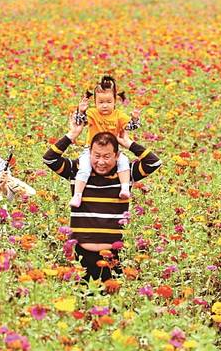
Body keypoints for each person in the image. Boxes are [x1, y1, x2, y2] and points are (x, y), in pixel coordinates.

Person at [43, 115, 161, 284]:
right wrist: (72, 134)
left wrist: (128, 143)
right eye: (96, 155)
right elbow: (49, 159)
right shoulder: (77, 170)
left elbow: (154, 163)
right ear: (89, 153)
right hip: (81, 256)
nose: (101, 162)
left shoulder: (125, 175)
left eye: (107, 157)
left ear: (117, 156)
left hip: (114, 256)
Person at [69, 75, 141, 207]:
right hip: (91, 150)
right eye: (101, 102)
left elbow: (131, 127)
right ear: (95, 103)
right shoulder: (92, 113)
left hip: (113, 152)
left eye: (108, 102)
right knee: (84, 167)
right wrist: (81, 110)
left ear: (115, 102)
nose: (105, 105)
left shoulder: (119, 115)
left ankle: (125, 188)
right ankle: (77, 195)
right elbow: (79, 122)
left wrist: (135, 119)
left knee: (124, 162)